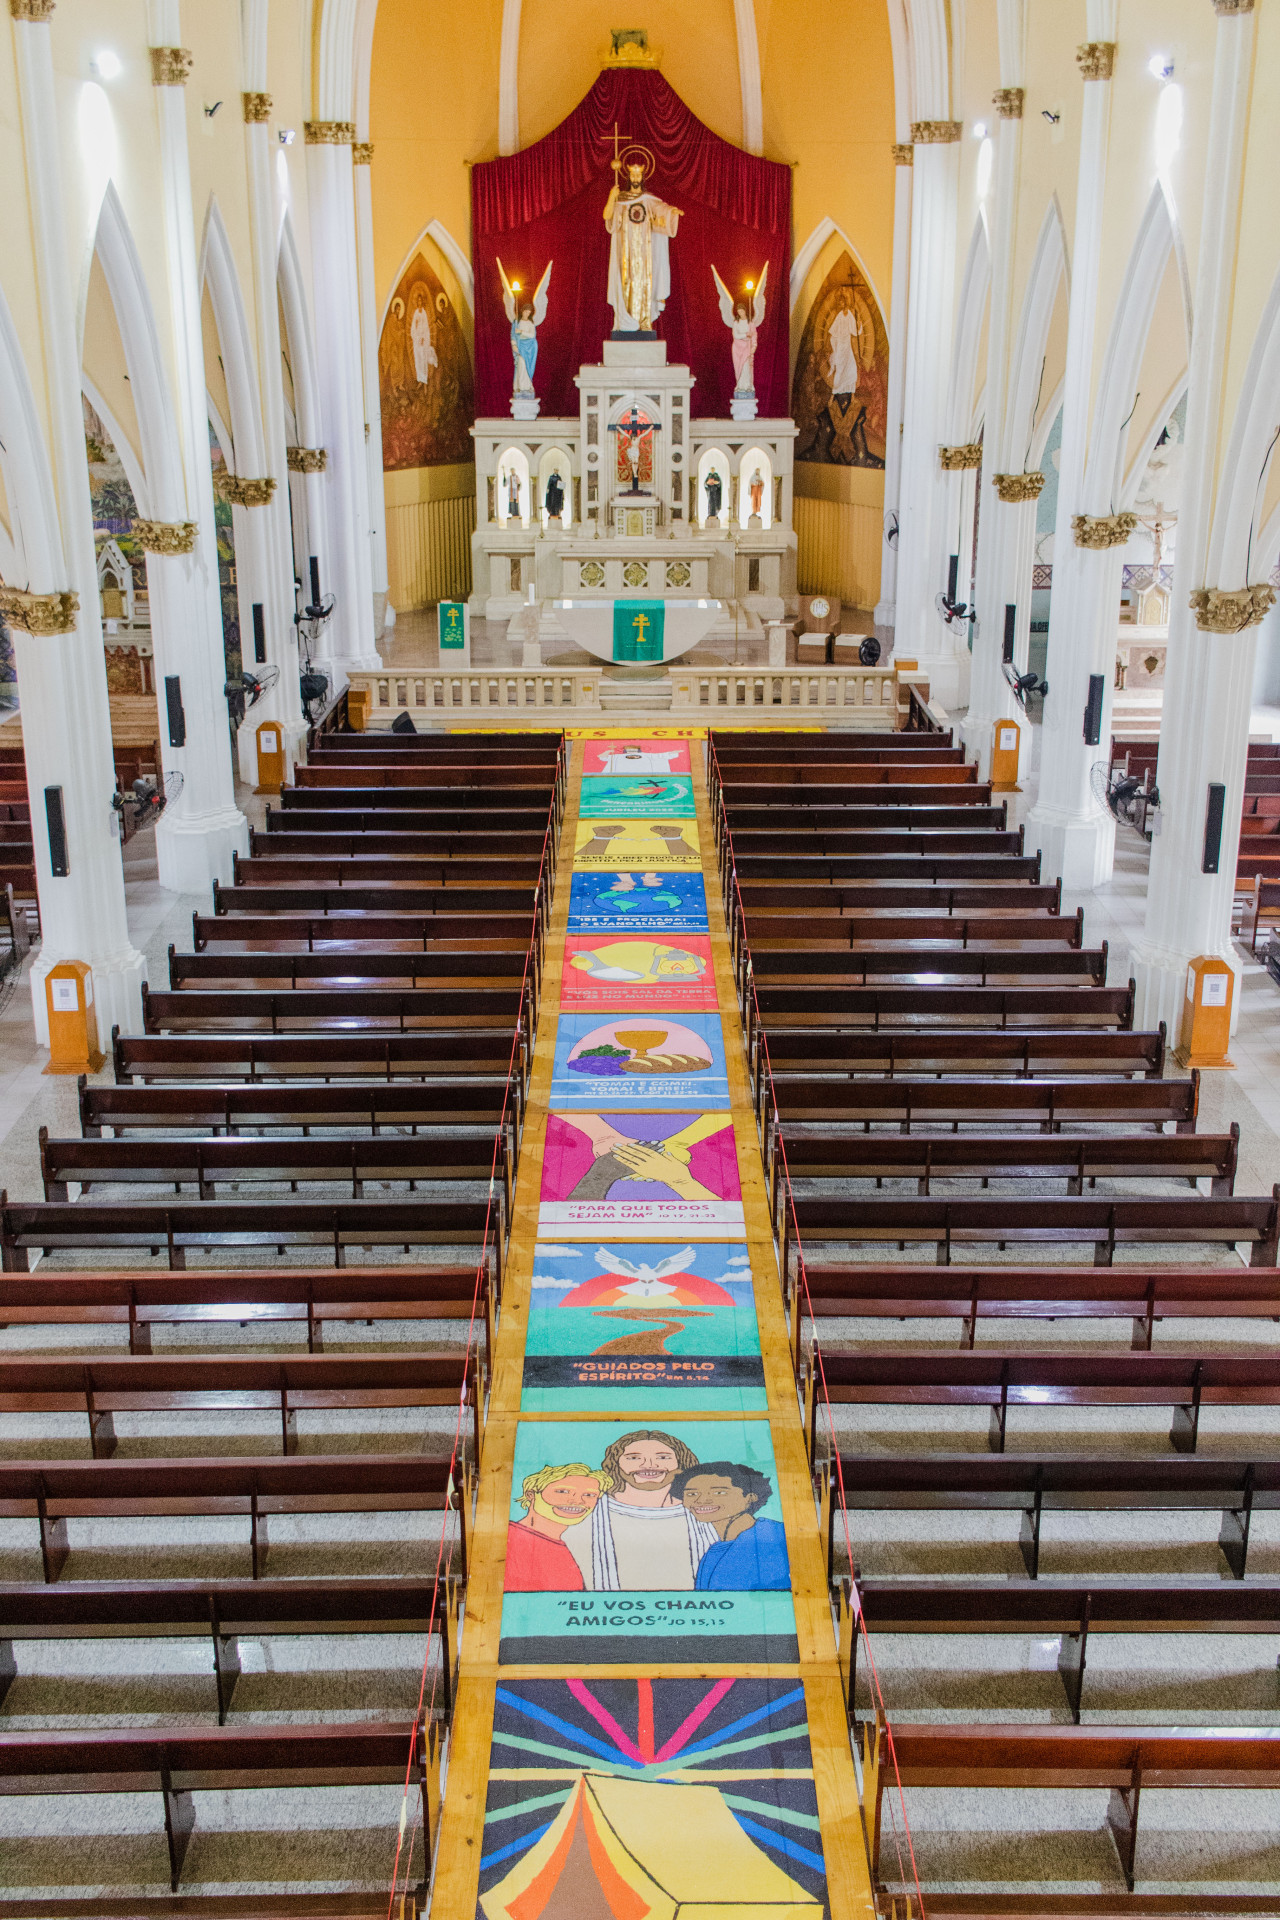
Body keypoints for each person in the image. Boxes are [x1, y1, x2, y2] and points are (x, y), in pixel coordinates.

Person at [562, 1430, 717, 1590]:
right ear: (616, 1462)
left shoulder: (706, 1512)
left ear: (681, 1462)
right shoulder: (587, 1512)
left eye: (663, 1457)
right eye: (634, 1458)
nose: (649, 1465)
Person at [671, 1460, 791, 1592]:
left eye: (719, 1493)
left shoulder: (778, 1534)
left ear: (750, 1497)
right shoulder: (711, 1554)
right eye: (691, 1494)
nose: (701, 1500)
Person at [504, 1463, 611, 1591]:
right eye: (563, 1491)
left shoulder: (566, 1548)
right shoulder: (508, 1536)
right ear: (531, 1494)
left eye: (589, 1495)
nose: (577, 1501)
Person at [603, 161, 682, 335]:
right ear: (629, 177)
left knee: (645, 285)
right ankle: (626, 321)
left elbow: (662, 210)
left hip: (645, 254)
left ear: (643, 177)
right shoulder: (621, 200)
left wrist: (672, 212)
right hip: (626, 253)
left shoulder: (648, 200)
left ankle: (644, 322)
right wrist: (611, 196)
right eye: (633, 175)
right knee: (625, 284)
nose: (636, 178)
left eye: (639, 175)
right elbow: (607, 216)